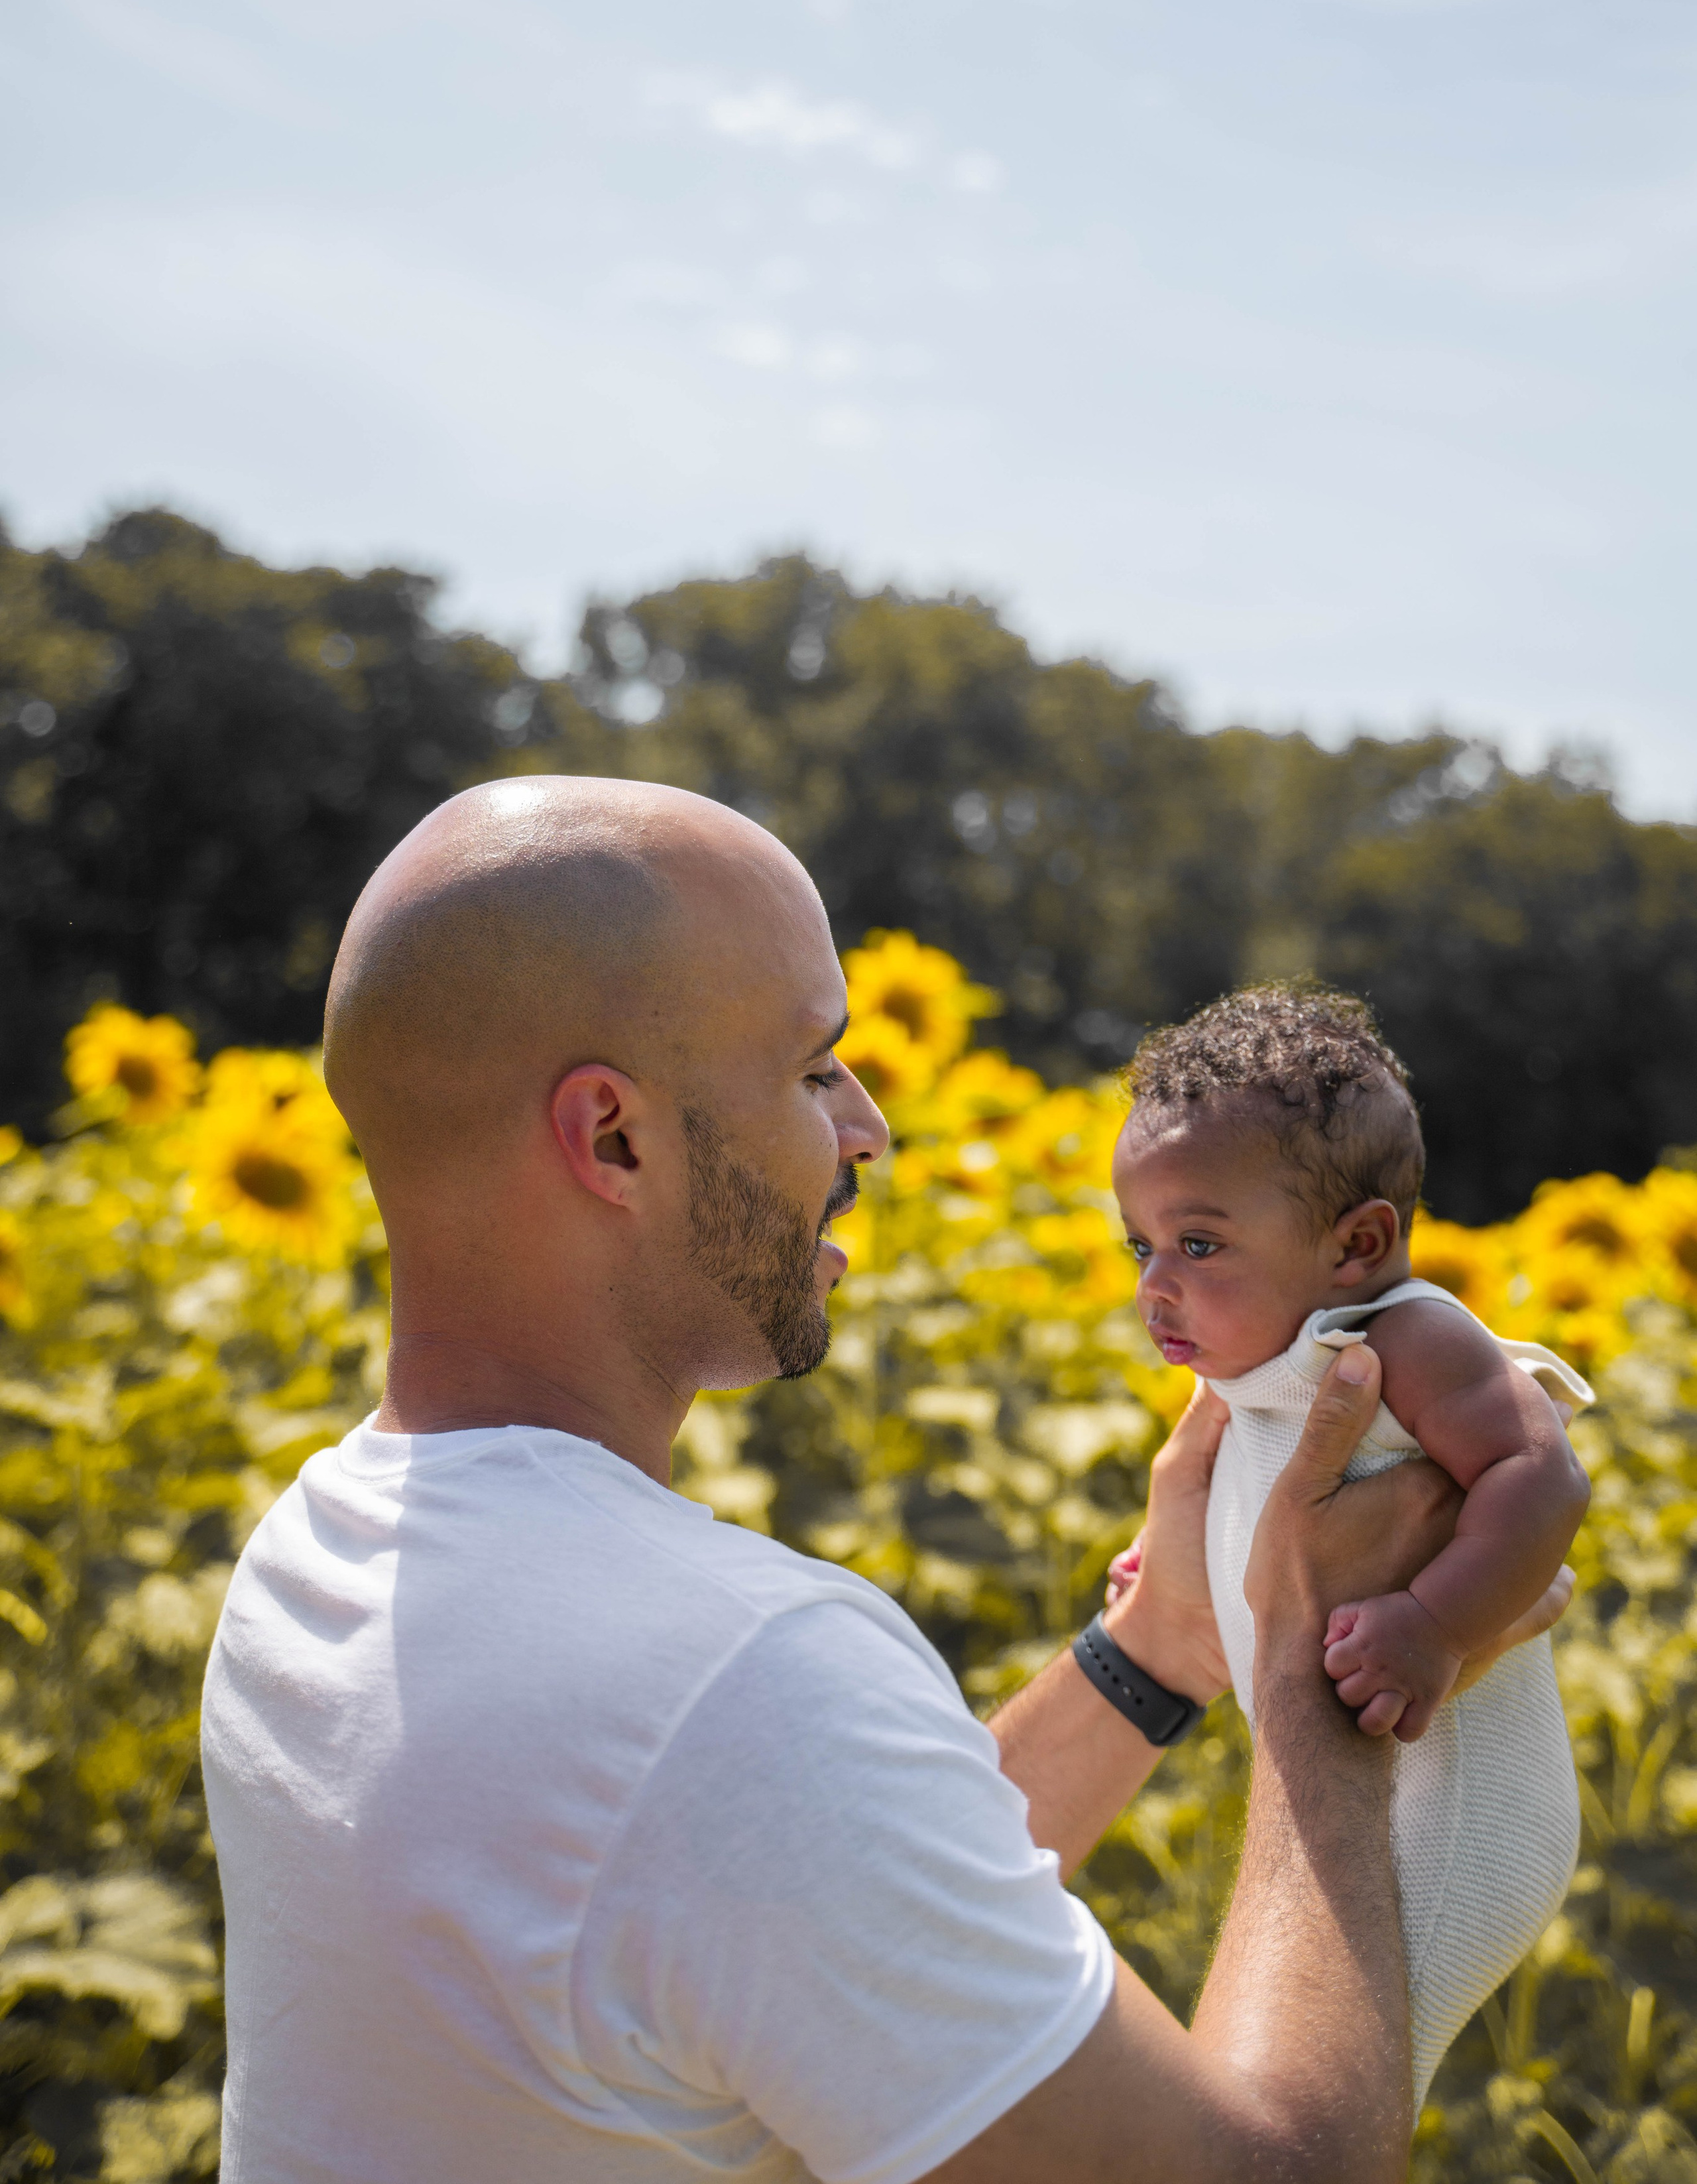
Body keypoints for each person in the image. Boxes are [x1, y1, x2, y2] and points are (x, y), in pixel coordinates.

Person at [201, 776, 1569, 2184]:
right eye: (810, 1067)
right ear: (612, 1136)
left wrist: (1156, 1647)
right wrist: (1305, 1674)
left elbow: (789, 1899)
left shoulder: (311, 1551)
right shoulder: (736, 1681)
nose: (867, 1128)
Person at [1110, 982, 1591, 2105]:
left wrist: (1433, 1626)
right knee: (1296, 2069)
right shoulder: (1258, 1357)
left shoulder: (1404, 1337)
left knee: (1335, 2083)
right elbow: (1237, 1484)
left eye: (1197, 1241)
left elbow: (1541, 1474)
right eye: (1139, 1242)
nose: (1154, 1283)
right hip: (1363, 1771)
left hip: (1466, 1792)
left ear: (1357, 1244)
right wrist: (1167, 1571)